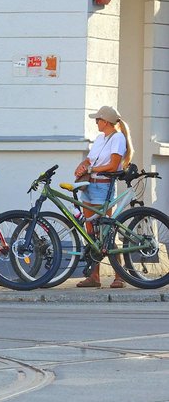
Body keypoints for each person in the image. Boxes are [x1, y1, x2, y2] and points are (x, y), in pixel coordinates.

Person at [74, 105, 133, 289]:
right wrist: (83, 166)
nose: (96, 123)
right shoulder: (100, 138)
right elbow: (90, 159)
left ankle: (119, 276)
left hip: (103, 186)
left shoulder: (118, 138)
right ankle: (94, 276)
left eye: (98, 120)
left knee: (106, 231)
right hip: (89, 185)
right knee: (91, 233)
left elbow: (114, 165)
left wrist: (91, 169)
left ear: (106, 121)